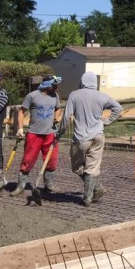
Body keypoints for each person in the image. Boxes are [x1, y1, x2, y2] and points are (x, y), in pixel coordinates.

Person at [57, 71, 124, 207]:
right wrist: (106, 121)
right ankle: (92, 192)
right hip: (98, 136)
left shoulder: (74, 95)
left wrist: (59, 133)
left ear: (82, 81)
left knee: (77, 167)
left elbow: (66, 117)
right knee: (92, 167)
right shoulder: (101, 96)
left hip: (81, 138)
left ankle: (91, 194)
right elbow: (118, 108)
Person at [10, 75, 62, 197]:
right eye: (54, 85)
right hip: (34, 133)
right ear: (47, 85)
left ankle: (49, 185)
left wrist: (57, 118)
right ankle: (21, 186)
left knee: (51, 159)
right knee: (28, 159)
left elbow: (58, 109)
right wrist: (21, 128)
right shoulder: (32, 96)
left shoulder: (55, 96)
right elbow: (21, 112)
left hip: (50, 133)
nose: (56, 87)